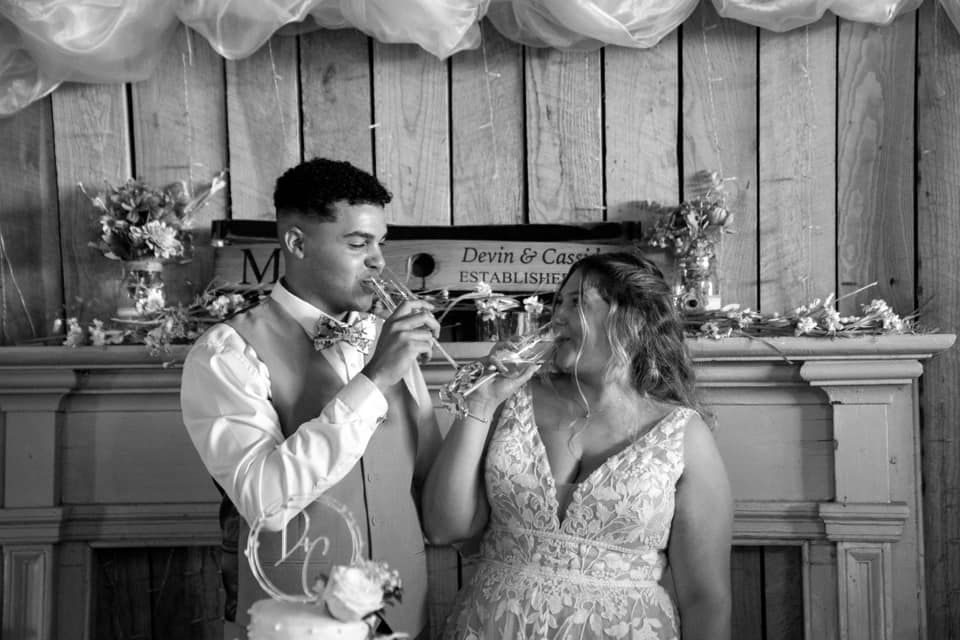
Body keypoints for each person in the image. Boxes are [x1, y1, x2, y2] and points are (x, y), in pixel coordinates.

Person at [181, 158, 441, 640]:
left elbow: (426, 479)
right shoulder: (225, 353)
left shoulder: (389, 338)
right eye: (358, 243)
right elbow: (266, 503)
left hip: (405, 616)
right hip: (291, 622)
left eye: (380, 242)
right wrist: (375, 378)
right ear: (296, 243)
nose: (379, 261)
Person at [423, 251, 733, 640]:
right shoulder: (511, 400)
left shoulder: (682, 433)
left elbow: (707, 599)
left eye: (577, 303)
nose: (557, 316)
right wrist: (480, 403)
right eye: (557, 302)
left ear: (632, 320)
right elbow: (442, 527)